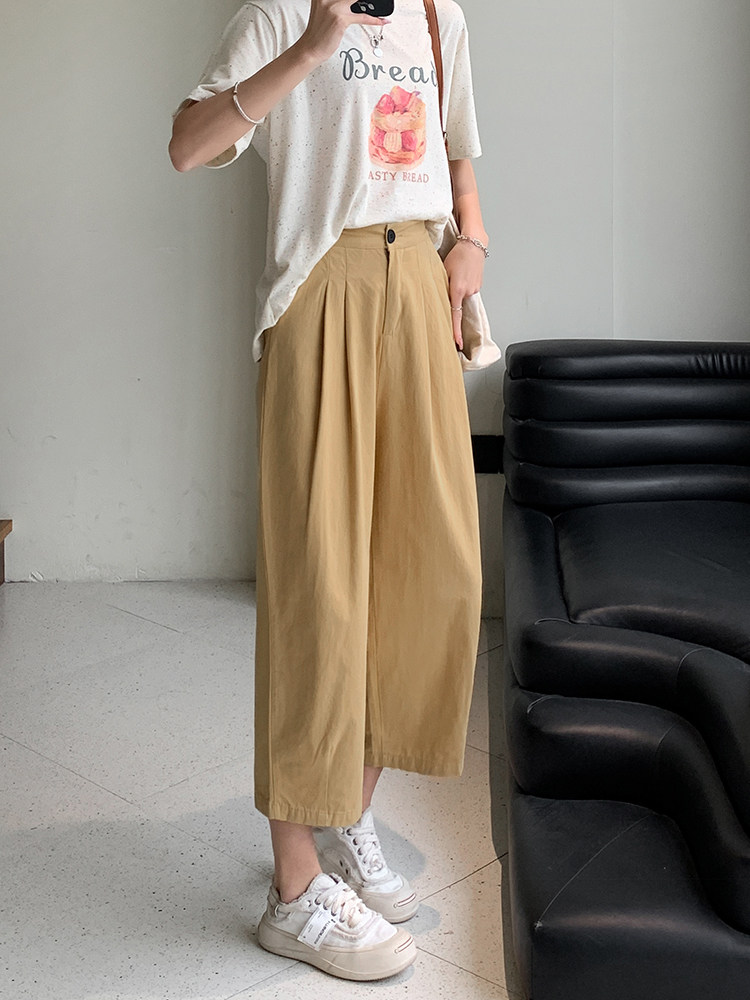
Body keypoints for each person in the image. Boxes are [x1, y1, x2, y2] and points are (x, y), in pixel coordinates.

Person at [169, 0, 487, 981]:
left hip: (419, 283)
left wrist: (471, 239)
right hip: (321, 286)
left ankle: (347, 806)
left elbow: (458, 144)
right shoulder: (279, 13)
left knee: (435, 576)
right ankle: (295, 887)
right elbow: (189, 144)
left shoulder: (437, 12)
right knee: (322, 588)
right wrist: (313, 48)